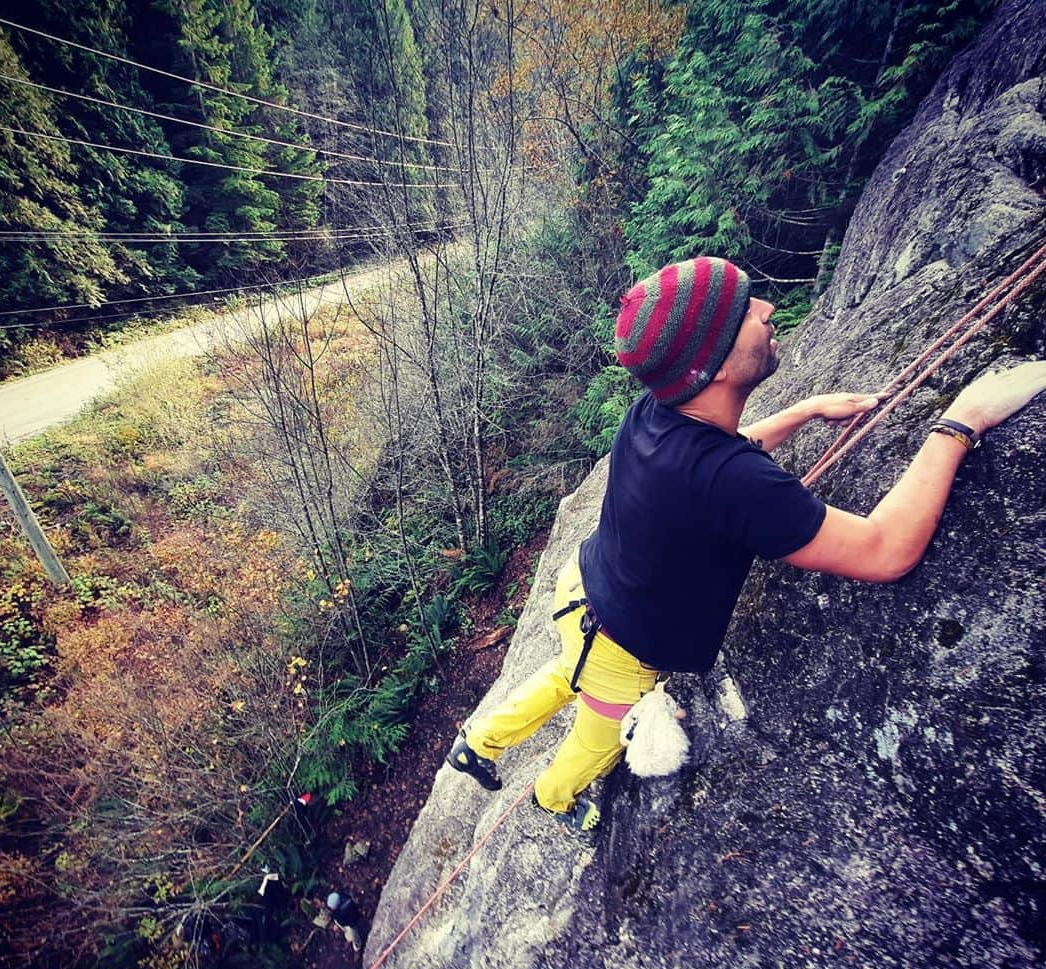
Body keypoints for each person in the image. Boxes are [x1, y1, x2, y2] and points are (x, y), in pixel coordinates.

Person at [447, 256, 1046, 831]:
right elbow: (886, 550)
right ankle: (554, 799)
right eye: (745, 313)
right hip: (619, 649)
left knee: (563, 673)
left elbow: (716, 468)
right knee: (595, 740)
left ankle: (477, 743)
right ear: (714, 370)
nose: (767, 308)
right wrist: (962, 420)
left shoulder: (654, 411)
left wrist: (805, 412)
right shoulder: (725, 478)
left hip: (583, 593)